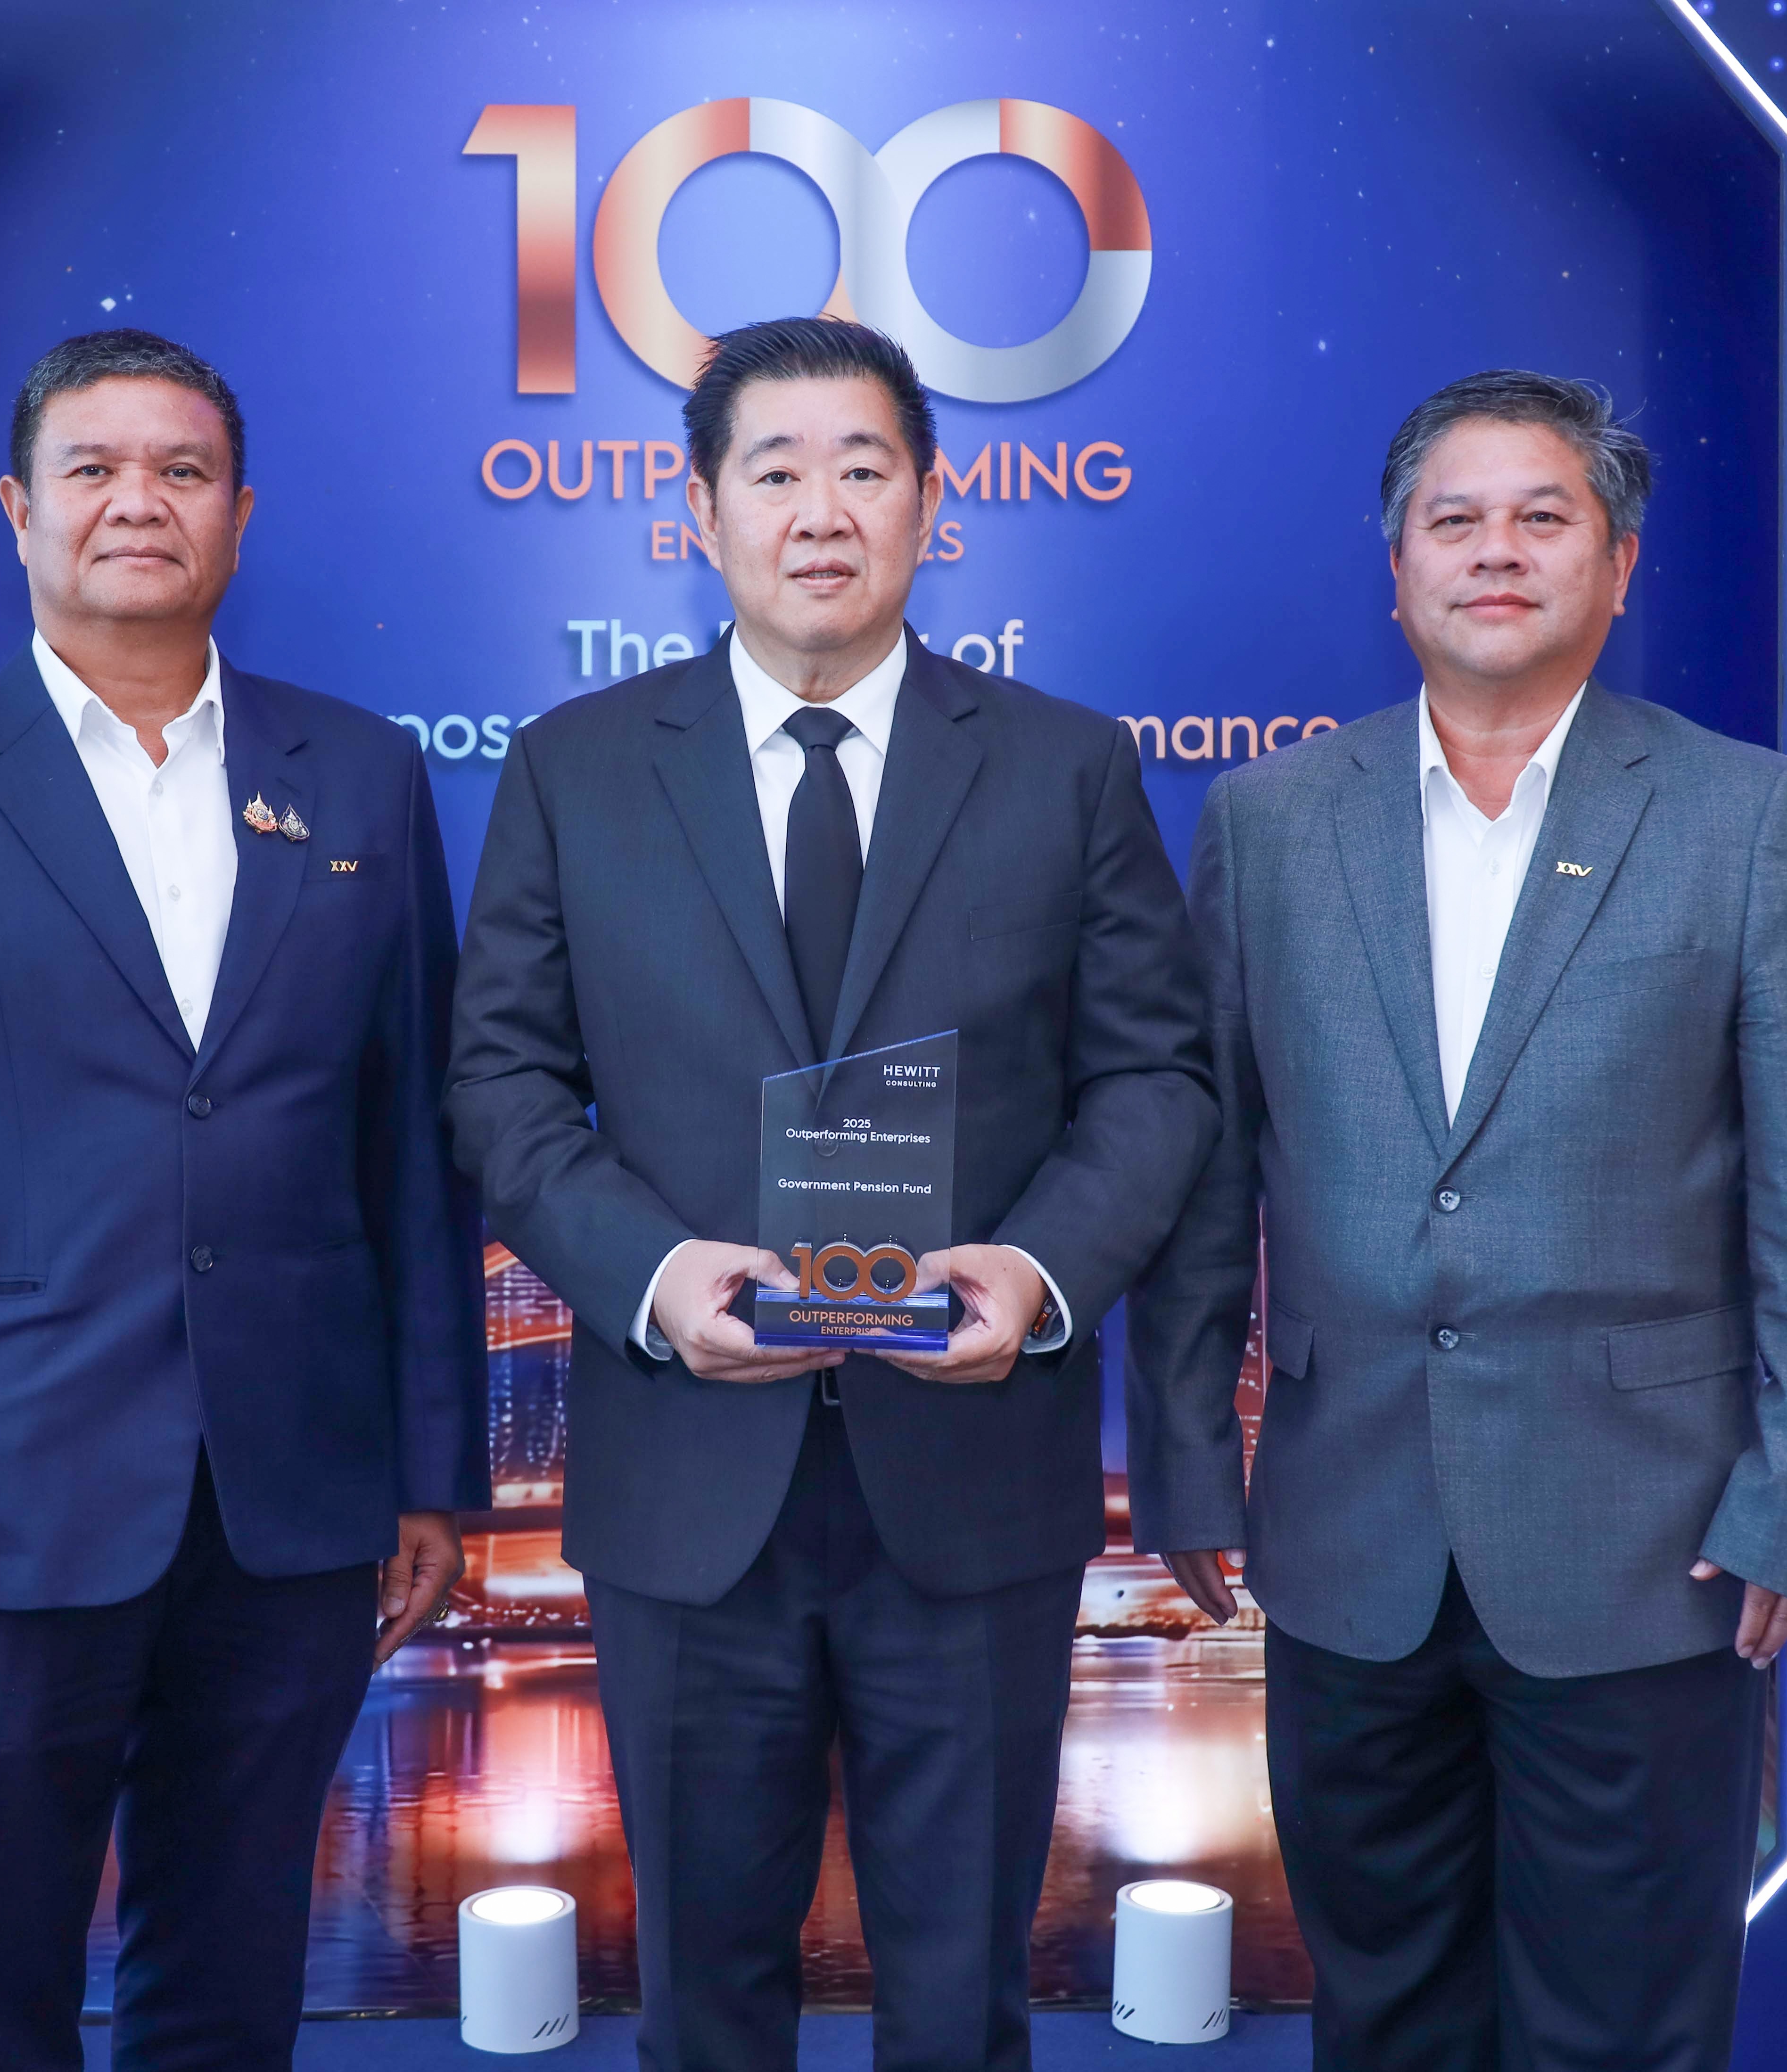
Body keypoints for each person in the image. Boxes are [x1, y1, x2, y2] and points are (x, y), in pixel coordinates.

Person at [448, 316, 1215, 2072]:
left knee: (959, 1997)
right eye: (775, 470)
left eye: (863, 468)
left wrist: (1039, 1271)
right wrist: (652, 1275)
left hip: (972, 1476)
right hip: (684, 1479)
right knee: (705, 2000)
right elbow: (497, 1084)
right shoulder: (576, 766)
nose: (820, 511)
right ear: (699, 510)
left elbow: (1154, 1080)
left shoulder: (1066, 764)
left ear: (932, 505)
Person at [1128, 369, 1787, 2072]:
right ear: (1395, 569)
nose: (1495, 551)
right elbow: (1203, 1176)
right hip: (1345, 1543)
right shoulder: (1271, 821)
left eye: (1541, 517)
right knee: (1386, 2013)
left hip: (1650, 1548)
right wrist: (1186, 1458)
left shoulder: (1744, 818)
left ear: (1617, 564)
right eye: (1455, 520)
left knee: (1617, 2028)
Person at [0, 328, 486, 2072]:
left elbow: (412, 1142)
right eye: (91, 468)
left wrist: (428, 1469)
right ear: (20, 512)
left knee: (231, 1990)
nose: (137, 501)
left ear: (240, 513)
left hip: (291, 1504)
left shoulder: (360, 773)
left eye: (181, 469)